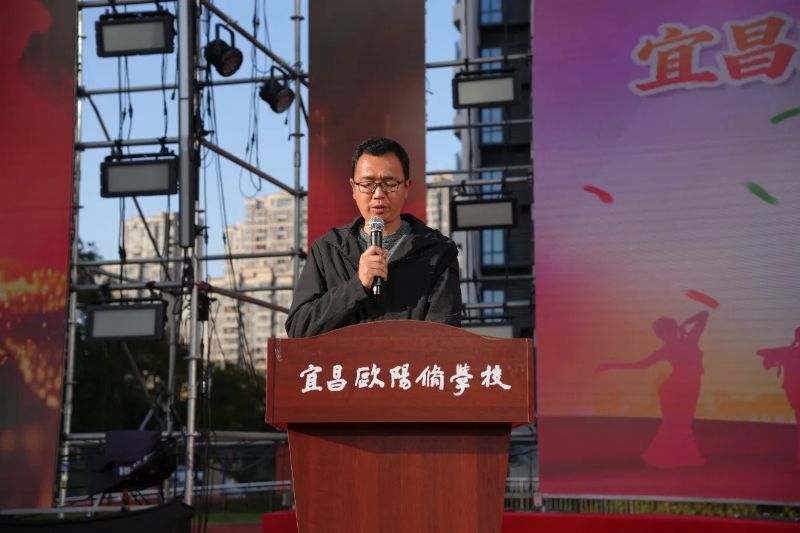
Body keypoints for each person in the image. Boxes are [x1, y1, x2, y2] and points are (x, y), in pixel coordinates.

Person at [285, 136, 461, 338]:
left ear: (407, 187)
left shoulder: (438, 252)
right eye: (367, 184)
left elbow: (445, 338)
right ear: (353, 188)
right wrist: (356, 286)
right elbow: (299, 329)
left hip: (406, 360)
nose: (378, 194)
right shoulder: (328, 250)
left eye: (389, 183)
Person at [596, 310, 709, 468]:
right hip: (676, 388)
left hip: (688, 386)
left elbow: (704, 314)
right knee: (676, 423)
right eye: (660, 333)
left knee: (682, 423)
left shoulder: (690, 339)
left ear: (671, 330)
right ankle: (664, 458)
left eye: (663, 332)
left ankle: (682, 458)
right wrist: (611, 365)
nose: (662, 336)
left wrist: (684, 324)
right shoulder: (674, 346)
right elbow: (640, 365)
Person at [756, 327, 800, 471]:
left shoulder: (788, 352)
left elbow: (761, 353)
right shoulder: (788, 352)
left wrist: (783, 352)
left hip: (793, 391)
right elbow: (760, 352)